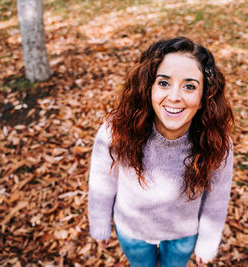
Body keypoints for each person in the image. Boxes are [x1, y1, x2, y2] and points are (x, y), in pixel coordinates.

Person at [88, 36, 234, 267]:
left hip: (183, 234)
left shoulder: (215, 141)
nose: (174, 97)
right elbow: (102, 178)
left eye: (189, 86)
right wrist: (99, 222)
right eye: (164, 83)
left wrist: (208, 241)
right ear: (148, 87)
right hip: (131, 230)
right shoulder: (117, 129)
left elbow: (217, 196)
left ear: (205, 94)